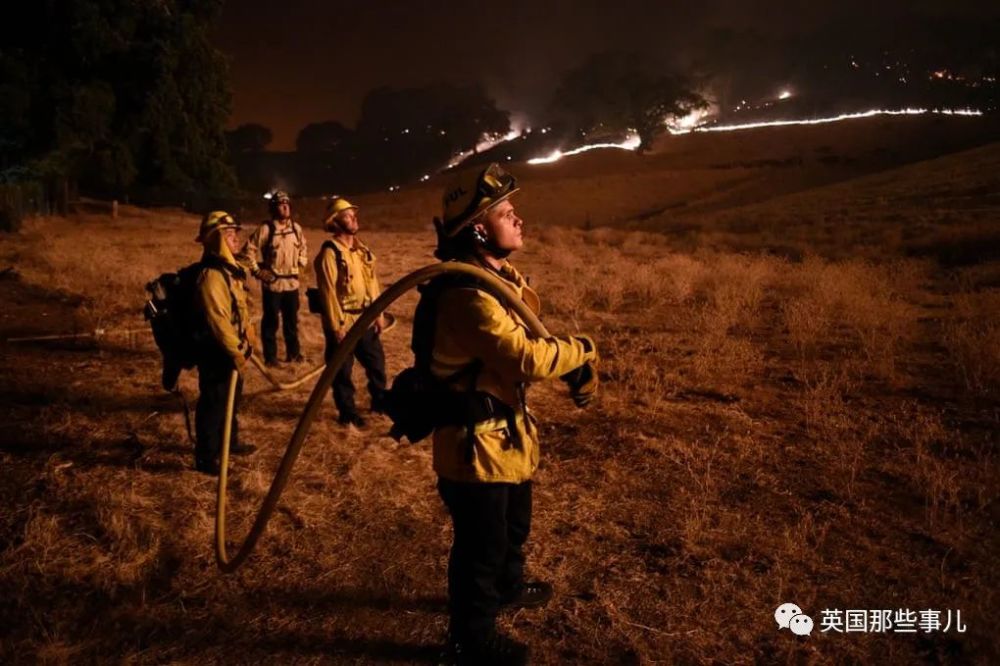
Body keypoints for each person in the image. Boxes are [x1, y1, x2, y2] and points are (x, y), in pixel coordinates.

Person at [426, 164, 599, 665]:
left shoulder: (497, 280)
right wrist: (583, 351)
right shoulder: (465, 295)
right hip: (474, 448)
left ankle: (507, 589)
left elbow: (533, 338)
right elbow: (523, 358)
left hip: (502, 439)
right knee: (481, 548)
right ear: (479, 228)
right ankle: (470, 641)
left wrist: (571, 360)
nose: (518, 219)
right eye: (506, 212)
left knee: (512, 529)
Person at [314, 197, 388, 427]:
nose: (354, 218)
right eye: (347, 215)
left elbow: (372, 284)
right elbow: (327, 293)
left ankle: (380, 402)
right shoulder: (330, 253)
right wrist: (336, 327)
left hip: (365, 318)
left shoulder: (361, 250)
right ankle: (348, 413)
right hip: (344, 322)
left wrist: (378, 314)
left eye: (353, 214)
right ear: (335, 222)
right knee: (342, 372)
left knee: (376, 364)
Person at [193, 211, 257, 475]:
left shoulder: (229, 270)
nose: (236, 241)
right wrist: (235, 351)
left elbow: (239, 307)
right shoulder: (211, 276)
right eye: (229, 236)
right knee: (214, 402)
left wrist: (247, 338)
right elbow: (218, 320)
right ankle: (207, 457)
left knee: (232, 399)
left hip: (232, 349)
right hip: (216, 351)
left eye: (235, 235)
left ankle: (229, 443)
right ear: (217, 239)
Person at [238, 190, 308, 366]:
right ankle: (271, 358)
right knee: (271, 322)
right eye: (280, 204)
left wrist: (300, 264)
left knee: (291, 321)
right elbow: (248, 251)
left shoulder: (296, 229)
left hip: (291, 284)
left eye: (287, 204)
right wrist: (257, 271)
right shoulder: (266, 229)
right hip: (273, 285)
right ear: (274, 208)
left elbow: (303, 249)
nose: (285, 207)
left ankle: (294, 354)